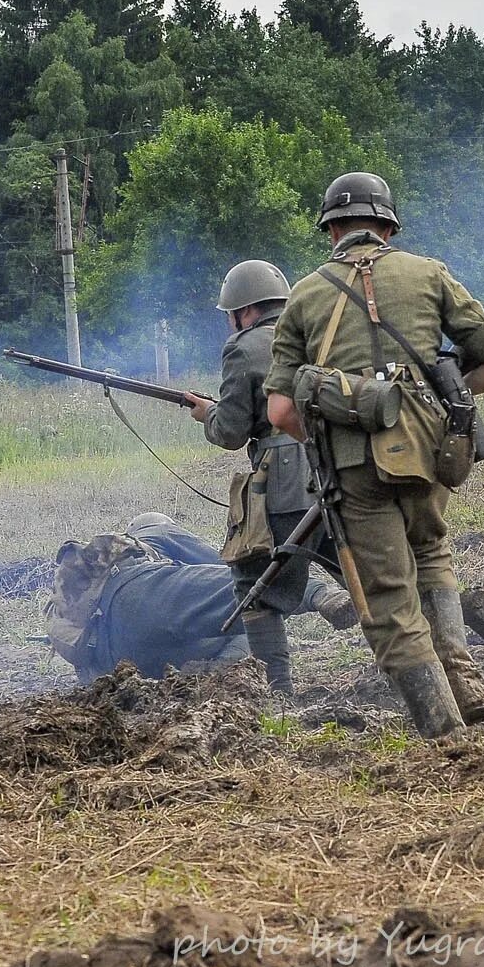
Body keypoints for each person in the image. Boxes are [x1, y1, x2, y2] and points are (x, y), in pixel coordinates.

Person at [264, 171, 484, 737]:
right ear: (386, 225)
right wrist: (433, 402)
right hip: (431, 454)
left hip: (353, 466)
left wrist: (337, 433)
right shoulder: (430, 275)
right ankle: (465, 681)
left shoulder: (304, 296)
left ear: (331, 228)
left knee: (388, 593)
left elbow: (281, 414)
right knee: (430, 553)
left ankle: (443, 728)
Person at [183, 260, 314, 695]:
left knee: (254, 584)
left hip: (286, 485)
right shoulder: (314, 333)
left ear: (244, 311)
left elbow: (231, 430)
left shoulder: (244, 347)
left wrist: (208, 413)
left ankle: (278, 694)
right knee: (369, 576)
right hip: (340, 473)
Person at [45, 513, 357, 683]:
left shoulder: (72, 603)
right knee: (252, 588)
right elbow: (228, 568)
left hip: (113, 658)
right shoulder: (156, 534)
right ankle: (322, 594)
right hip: (136, 597)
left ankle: (210, 674)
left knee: (249, 626)